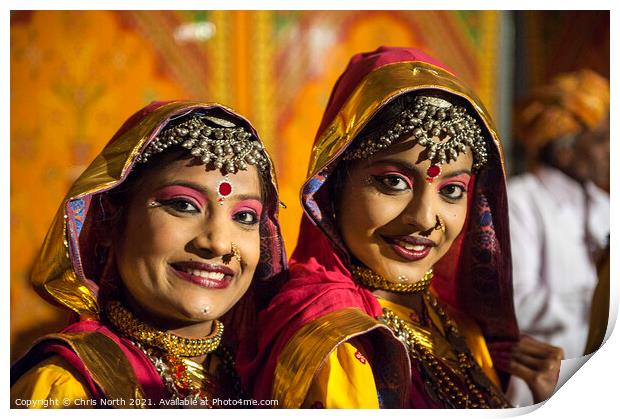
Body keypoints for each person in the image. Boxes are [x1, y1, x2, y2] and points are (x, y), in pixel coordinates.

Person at [237, 46, 562, 408]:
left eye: (452, 190)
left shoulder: (455, 326)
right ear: (333, 186)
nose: (424, 218)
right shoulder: (336, 335)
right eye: (393, 182)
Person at [11, 101, 286, 408]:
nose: (219, 244)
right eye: (184, 205)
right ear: (109, 221)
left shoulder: (264, 377)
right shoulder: (69, 389)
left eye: (245, 217)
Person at [507, 70, 610, 406]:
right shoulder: (519, 201)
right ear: (563, 149)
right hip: (541, 391)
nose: (611, 150)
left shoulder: (606, 205)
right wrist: (597, 303)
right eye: (600, 140)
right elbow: (517, 305)